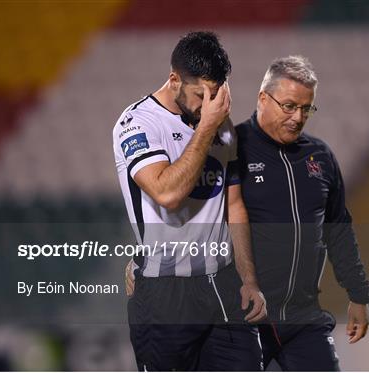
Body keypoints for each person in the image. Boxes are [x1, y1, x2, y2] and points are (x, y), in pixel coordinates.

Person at [113, 31, 266, 371]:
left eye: (216, 95)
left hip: (222, 285)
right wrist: (206, 128)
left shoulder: (222, 129)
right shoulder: (137, 123)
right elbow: (167, 194)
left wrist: (249, 278)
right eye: (200, 95)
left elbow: (235, 206)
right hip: (165, 294)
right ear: (174, 79)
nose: (208, 106)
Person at [234, 56, 369, 371]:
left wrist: (358, 294)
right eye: (288, 106)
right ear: (262, 99)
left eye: (306, 108)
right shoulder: (231, 149)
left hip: (303, 318)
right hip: (242, 319)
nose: (297, 118)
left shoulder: (320, 156)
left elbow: (338, 228)